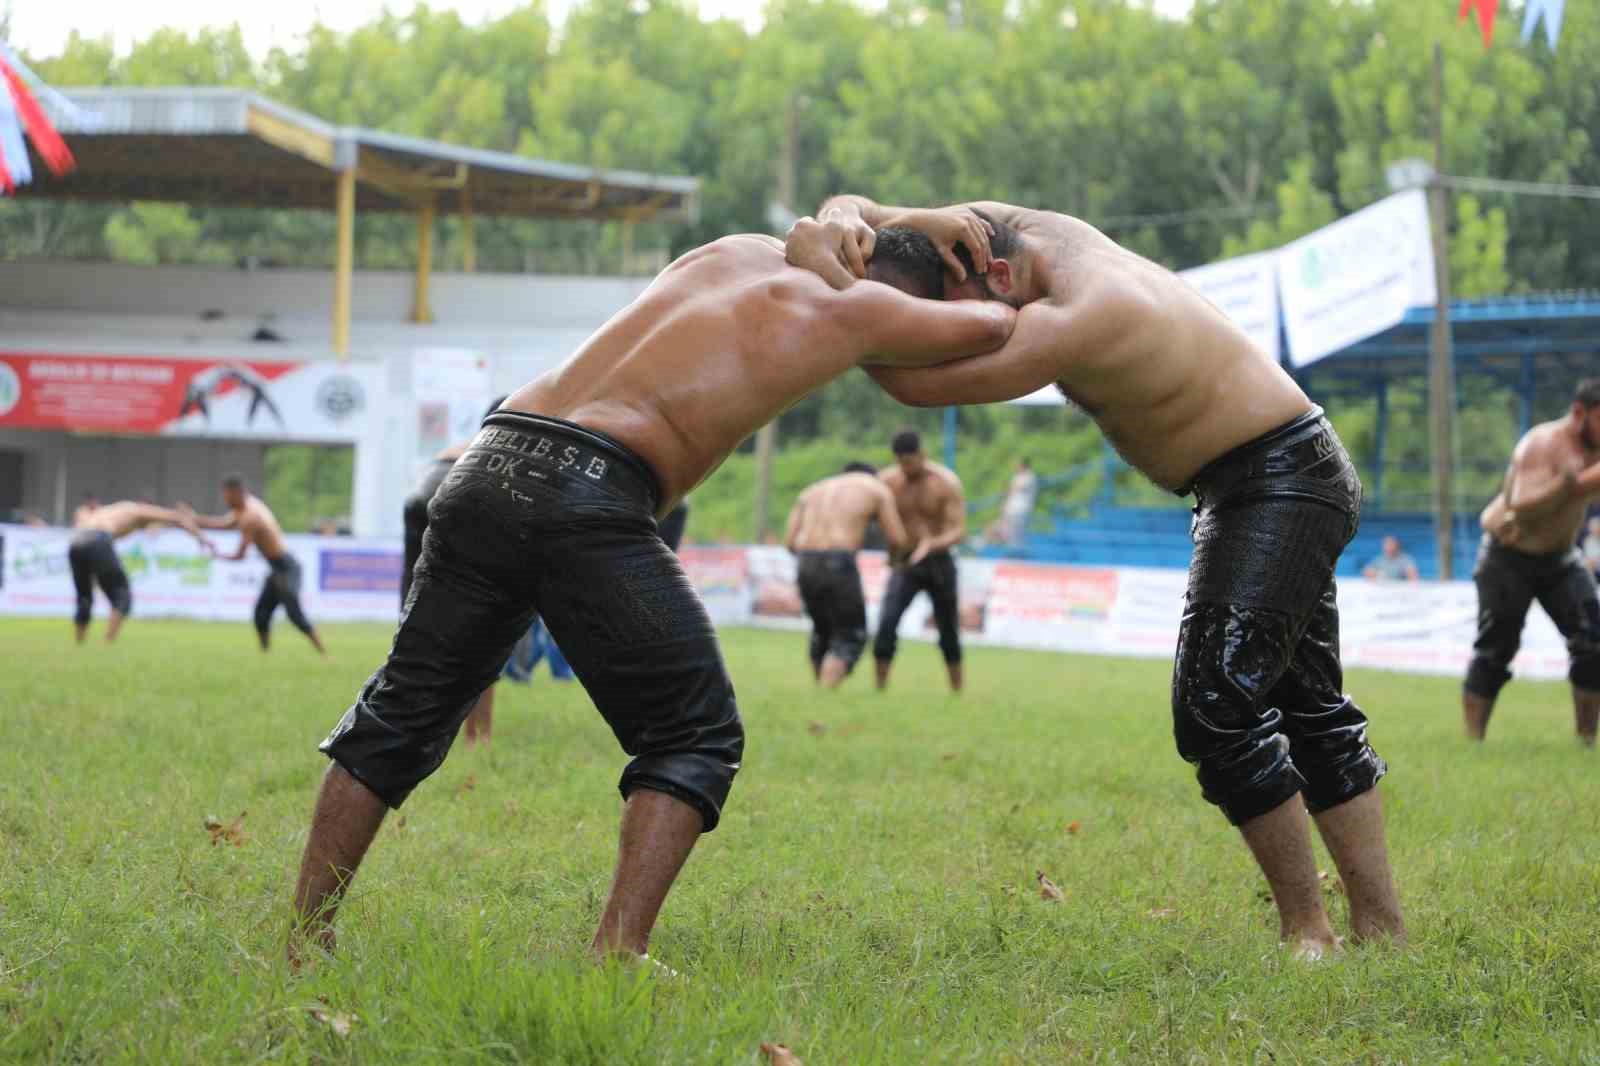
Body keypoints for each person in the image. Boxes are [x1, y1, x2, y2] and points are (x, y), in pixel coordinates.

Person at [285, 231, 1016, 970]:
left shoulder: (733, 249)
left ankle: (304, 937)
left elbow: (836, 235)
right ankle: (618, 951)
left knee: (397, 713)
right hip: (591, 486)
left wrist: (870, 215)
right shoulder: (860, 310)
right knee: (696, 735)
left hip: (483, 462)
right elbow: (996, 330)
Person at [785, 196, 1404, 957]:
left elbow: (917, 381)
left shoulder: (1084, 309)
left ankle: (1311, 934)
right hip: (1262, 476)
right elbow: (860, 206)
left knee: (1216, 709)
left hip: (1278, 477)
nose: (946, 337)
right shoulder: (1019, 233)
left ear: (997, 275)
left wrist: (824, 276)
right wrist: (882, 216)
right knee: (1309, 706)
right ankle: (1383, 934)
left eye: (952, 317)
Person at [1465, 379, 1600, 744]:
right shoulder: (1544, 444)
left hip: (1560, 558)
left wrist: (1581, 483)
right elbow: (1521, 509)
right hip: (1507, 556)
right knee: (1496, 648)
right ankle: (1474, 740)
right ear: (1579, 413)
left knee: (1593, 638)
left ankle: (1586, 741)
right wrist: (1566, 484)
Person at [402, 396, 509, 747]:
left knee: (418, 627)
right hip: (459, 490)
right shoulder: (503, 448)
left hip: (423, 496)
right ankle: (479, 736)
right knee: (488, 629)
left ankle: (407, 728)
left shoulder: (460, 445)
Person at [783, 461, 910, 688]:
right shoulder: (876, 488)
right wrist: (894, 559)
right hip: (839, 560)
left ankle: (819, 691)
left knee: (822, 629)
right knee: (850, 634)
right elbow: (898, 539)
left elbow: (790, 542)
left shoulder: (812, 490)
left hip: (806, 560)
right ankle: (826, 691)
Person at [185, 476, 328, 657]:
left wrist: (216, 555)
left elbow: (240, 555)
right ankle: (265, 655)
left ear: (236, 493)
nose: (225, 500)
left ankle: (324, 654)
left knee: (294, 614)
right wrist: (194, 519)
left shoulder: (250, 517)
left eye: (226, 496)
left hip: (286, 567)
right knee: (261, 612)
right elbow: (222, 524)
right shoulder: (246, 507)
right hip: (277, 568)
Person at [872, 430, 967, 693]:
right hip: (905, 562)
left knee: (948, 629)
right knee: (887, 621)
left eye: (911, 462)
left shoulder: (945, 482)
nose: (906, 468)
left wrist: (931, 544)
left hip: (939, 561)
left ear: (922, 455)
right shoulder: (887, 481)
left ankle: (956, 690)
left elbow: (958, 529)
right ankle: (879, 689)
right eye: (901, 463)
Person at [67, 499, 211, 643]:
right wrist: (202, 538)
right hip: (99, 539)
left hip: (75, 541)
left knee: (84, 596)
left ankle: (80, 643)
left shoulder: (111, 510)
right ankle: (107, 643)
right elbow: (176, 518)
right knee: (122, 596)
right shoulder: (137, 510)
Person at [997, 457, 1038, 547]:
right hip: (1012, 509)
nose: (1015, 467)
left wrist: (1007, 491)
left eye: (1017, 464)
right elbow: (1010, 492)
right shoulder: (1017, 476)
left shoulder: (1029, 476)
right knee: (1005, 531)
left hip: (1020, 509)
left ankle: (1016, 552)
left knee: (1017, 535)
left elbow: (1015, 489)